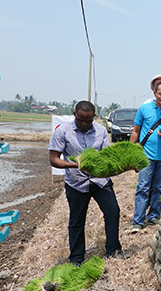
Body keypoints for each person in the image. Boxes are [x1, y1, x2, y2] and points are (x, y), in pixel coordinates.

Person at [49, 100, 124, 266]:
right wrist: (75, 165)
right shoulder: (63, 132)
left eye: (88, 120)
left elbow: (107, 156)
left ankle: (113, 249)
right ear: (74, 114)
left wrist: (120, 165)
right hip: (76, 183)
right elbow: (53, 159)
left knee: (113, 212)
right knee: (77, 220)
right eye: (80, 120)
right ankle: (76, 258)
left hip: (100, 181)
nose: (84, 124)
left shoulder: (101, 131)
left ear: (94, 117)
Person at [130, 80, 161, 232]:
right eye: (160, 94)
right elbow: (136, 131)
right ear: (154, 93)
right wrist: (131, 151)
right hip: (147, 156)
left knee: (158, 188)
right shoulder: (144, 109)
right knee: (143, 187)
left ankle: (153, 216)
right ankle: (138, 221)